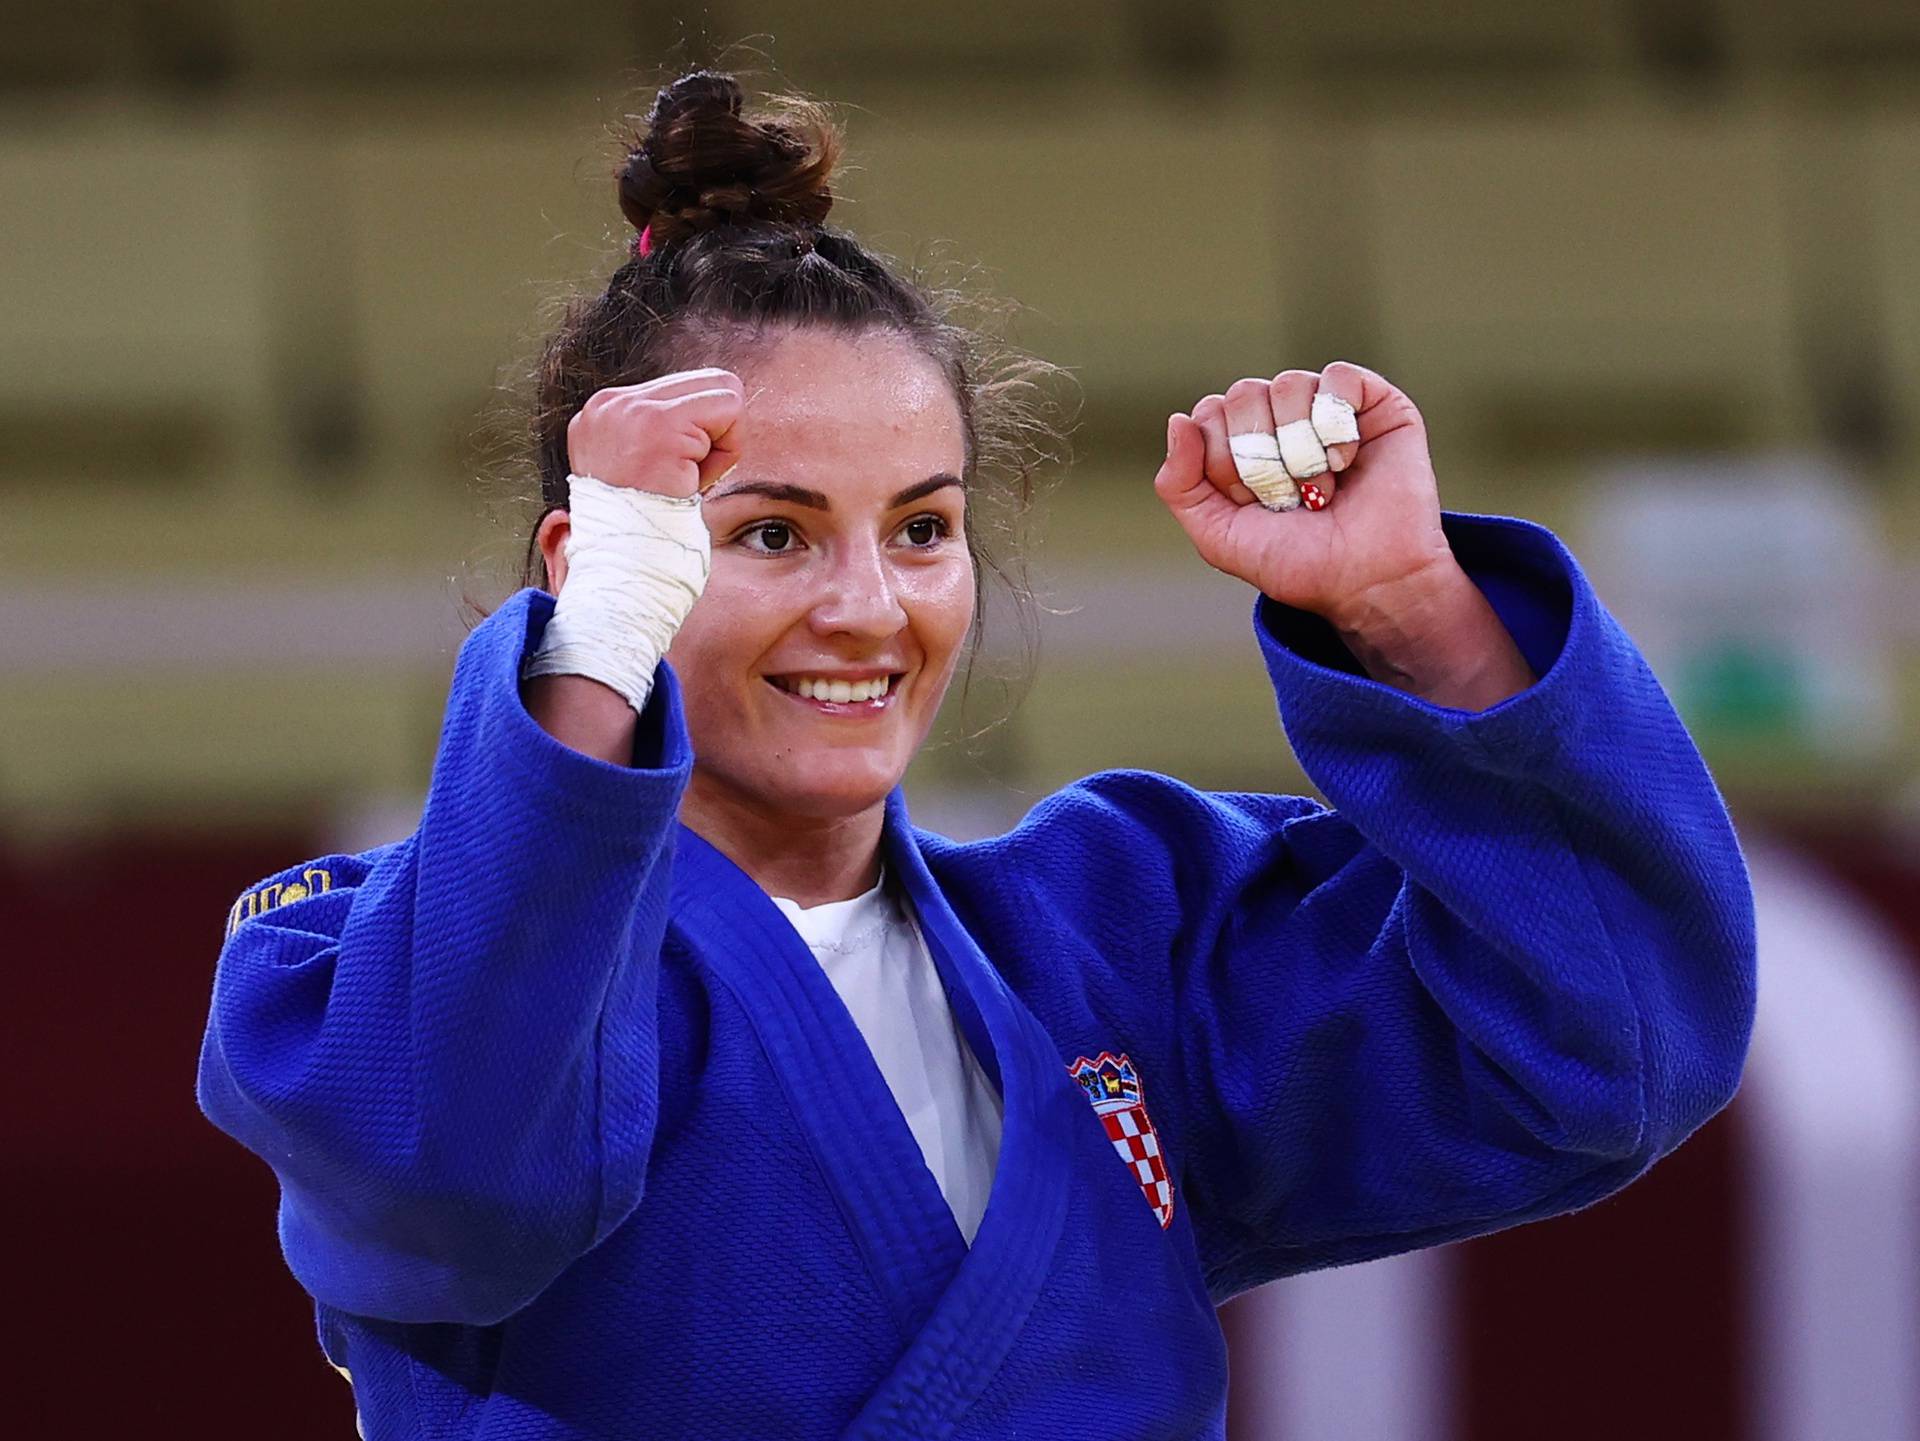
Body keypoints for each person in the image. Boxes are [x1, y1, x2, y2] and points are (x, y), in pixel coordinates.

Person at [197, 69, 1757, 1440]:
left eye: (926, 527)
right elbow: (454, 1169)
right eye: (771, 532)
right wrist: (595, 643)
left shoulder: (1115, 933)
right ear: (595, 561)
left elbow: (1609, 1046)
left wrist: (1413, 604)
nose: (868, 606)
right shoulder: (361, 973)